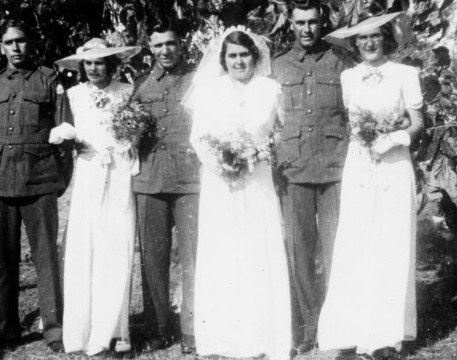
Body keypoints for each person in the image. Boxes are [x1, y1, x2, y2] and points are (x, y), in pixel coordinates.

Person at [317, 11, 423, 360]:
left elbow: (417, 123)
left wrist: (393, 138)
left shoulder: (406, 74)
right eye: (361, 37)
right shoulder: (348, 78)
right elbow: (352, 123)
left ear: (386, 38)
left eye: (375, 35)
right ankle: (353, 328)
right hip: (361, 165)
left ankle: (387, 335)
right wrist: (369, 141)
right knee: (357, 241)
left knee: (392, 242)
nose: (368, 42)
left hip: (393, 164)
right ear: (354, 42)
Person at [187, 27, 292, 360]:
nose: (238, 61)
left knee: (257, 252)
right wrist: (220, 164)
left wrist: (258, 155)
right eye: (232, 55)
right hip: (220, 183)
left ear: (255, 56)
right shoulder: (208, 92)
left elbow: (280, 134)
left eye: (244, 54)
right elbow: (198, 138)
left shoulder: (270, 90)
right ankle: (222, 339)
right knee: (223, 254)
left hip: (257, 181)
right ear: (223, 59)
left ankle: (260, 338)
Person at [0, 19, 71, 353]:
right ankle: (5, 329)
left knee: (46, 258)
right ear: (1, 47)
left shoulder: (48, 79)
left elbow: (63, 132)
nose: (16, 47)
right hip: (0, 183)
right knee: (4, 261)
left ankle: (55, 329)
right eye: (9, 42)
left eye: (21, 41)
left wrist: (58, 181)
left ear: (29, 44)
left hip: (41, 179)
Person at [51, 38, 140, 355]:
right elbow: (62, 134)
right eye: (88, 63)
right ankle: (84, 330)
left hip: (118, 172)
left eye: (100, 62)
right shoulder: (73, 96)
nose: (93, 68)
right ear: (80, 66)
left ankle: (114, 332)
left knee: (116, 247)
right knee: (85, 248)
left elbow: (136, 132)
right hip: (89, 173)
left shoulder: (126, 91)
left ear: (111, 64)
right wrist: (66, 138)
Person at [271, 0, 350, 354]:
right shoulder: (276, 67)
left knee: (337, 251)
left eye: (313, 22)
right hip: (294, 171)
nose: (307, 29)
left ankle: (338, 329)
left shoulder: (341, 62)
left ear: (323, 23)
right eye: (300, 23)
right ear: (290, 24)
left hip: (335, 169)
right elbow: (269, 119)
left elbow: (355, 112)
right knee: (300, 253)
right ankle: (306, 330)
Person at [131, 15, 199, 354]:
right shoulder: (140, 85)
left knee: (193, 257)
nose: (165, 50)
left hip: (190, 180)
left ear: (180, 44)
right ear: (150, 48)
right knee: (153, 259)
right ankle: (157, 328)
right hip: (150, 180)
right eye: (158, 44)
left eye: (170, 43)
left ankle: (192, 329)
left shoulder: (197, 80)